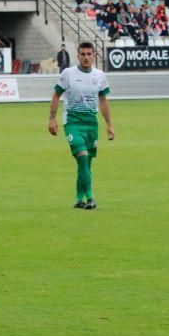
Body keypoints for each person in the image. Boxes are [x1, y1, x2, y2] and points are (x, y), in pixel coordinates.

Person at [48, 41, 114, 210]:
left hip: (91, 123)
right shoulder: (68, 73)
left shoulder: (99, 76)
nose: (86, 57)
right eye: (82, 54)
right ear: (78, 56)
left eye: (89, 54)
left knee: (86, 163)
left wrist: (109, 125)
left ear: (94, 55)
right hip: (73, 122)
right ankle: (90, 197)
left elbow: (103, 101)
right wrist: (52, 118)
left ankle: (78, 198)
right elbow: (56, 95)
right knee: (83, 158)